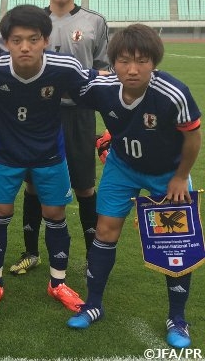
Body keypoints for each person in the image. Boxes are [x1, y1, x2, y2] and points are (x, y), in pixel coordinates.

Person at [67, 24, 201, 349]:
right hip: (122, 167)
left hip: (168, 174)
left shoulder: (174, 93)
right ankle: (93, 305)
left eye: (142, 61)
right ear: (113, 62)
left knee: (175, 243)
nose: (132, 69)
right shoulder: (103, 87)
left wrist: (180, 177)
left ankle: (177, 319)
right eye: (124, 60)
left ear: (154, 62)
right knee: (105, 231)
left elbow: (193, 137)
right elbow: (67, 81)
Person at [0, 4, 95, 314]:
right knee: (0, 211)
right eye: (17, 40)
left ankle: (58, 283)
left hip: (49, 154)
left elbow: (97, 90)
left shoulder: (64, 67)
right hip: (7, 154)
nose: (25, 47)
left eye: (33, 39)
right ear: (6, 42)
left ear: (46, 41)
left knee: (55, 213)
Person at [11, 0, 109, 275]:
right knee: (33, 185)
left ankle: (94, 254)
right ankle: (30, 252)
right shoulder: (32, 20)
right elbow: (4, 50)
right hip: (39, 115)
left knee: (84, 186)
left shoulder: (94, 22)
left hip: (79, 114)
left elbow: (105, 70)